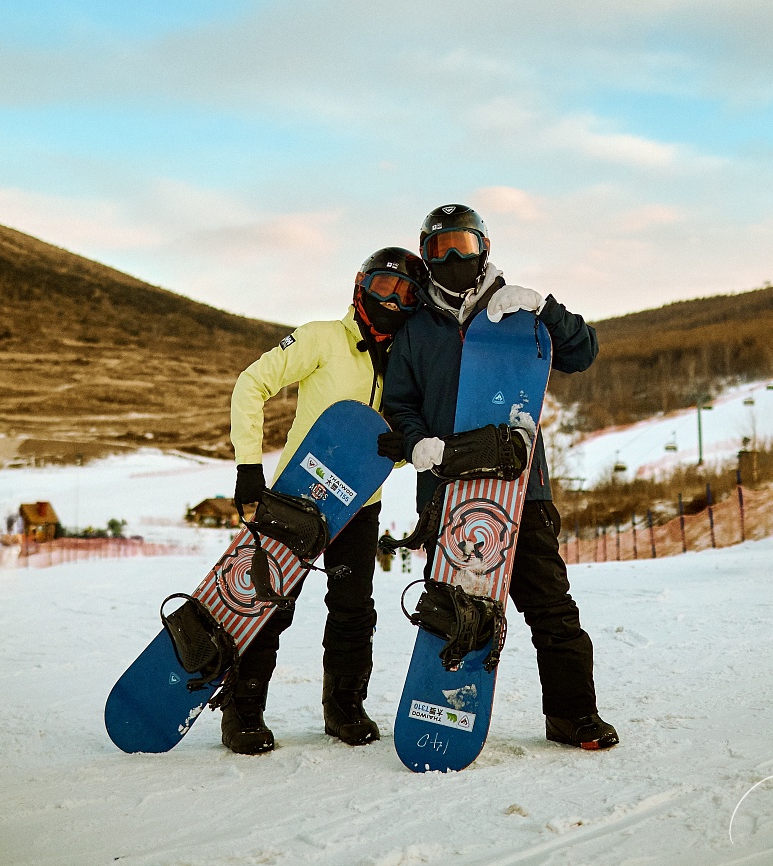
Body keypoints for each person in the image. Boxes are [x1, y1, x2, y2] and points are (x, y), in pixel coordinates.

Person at [380, 203, 619, 750]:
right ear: (425, 256)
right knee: (455, 612)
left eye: (464, 245)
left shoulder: (517, 315)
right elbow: (400, 402)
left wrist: (546, 308)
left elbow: (583, 352)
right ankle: (441, 710)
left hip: (522, 490)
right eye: (441, 249)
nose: (455, 258)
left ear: (484, 248)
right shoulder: (416, 331)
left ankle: (573, 716)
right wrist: (416, 442)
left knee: (551, 607)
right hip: (448, 493)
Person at [224, 247, 427, 755]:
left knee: (354, 609)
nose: (392, 300)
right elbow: (251, 384)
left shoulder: (404, 359)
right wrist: (249, 466)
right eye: (384, 285)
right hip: (298, 498)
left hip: (360, 505)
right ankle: (242, 713)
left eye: (405, 294)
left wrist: (400, 451)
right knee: (269, 606)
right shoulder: (320, 338)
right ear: (361, 285)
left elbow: (400, 437)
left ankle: (344, 708)